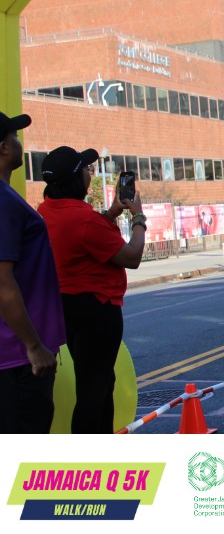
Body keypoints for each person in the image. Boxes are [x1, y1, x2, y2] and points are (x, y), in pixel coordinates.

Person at [38, 144, 147, 433]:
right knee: (93, 391)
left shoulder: (46, 210)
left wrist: (111, 213)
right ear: (76, 179)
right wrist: (138, 217)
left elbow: (83, 239)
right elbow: (132, 257)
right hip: (97, 311)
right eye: (87, 169)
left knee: (99, 382)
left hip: (67, 306)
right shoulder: (84, 220)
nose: (91, 174)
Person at [0, 112, 63, 434]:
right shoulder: (2, 201)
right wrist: (34, 346)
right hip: (18, 359)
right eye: (14, 135)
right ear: (3, 148)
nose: (18, 141)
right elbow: (2, 282)